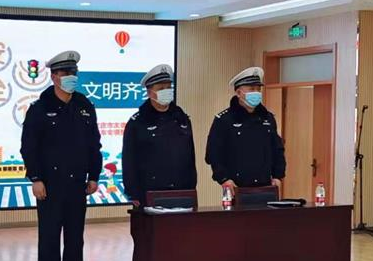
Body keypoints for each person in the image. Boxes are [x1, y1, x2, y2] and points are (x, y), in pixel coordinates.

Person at [20, 50, 102, 261]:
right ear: (54, 76)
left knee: (75, 241)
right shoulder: (39, 108)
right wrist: (35, 178)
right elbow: (29, 147)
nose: (71, 77)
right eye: (66, 73)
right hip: (50, 186)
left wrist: (94, 175)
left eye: (74, 72)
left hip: (78, 185)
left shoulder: (84, 106)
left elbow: (94, 145)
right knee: (49, 242)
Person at [121, 64, 196, 206]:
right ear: (150, 93)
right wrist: (133, 192)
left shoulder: (182, 118)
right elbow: (129, 160)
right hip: (149, 192)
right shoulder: (137, 122)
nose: (166, 91)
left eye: (168, 87)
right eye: (161, 88)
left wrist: (192, 186)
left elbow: (190, 155)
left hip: (182, 191)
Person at [206, 66, 286, 196]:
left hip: (266, 186)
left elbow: (277, 150)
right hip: (236, 187)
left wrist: (278, 176)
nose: (256, 92)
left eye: (258, 89)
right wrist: (224, 179)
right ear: (238, 93)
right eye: (251, 89)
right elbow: (214, 154)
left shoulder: (268, 118)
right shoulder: (224, 120)